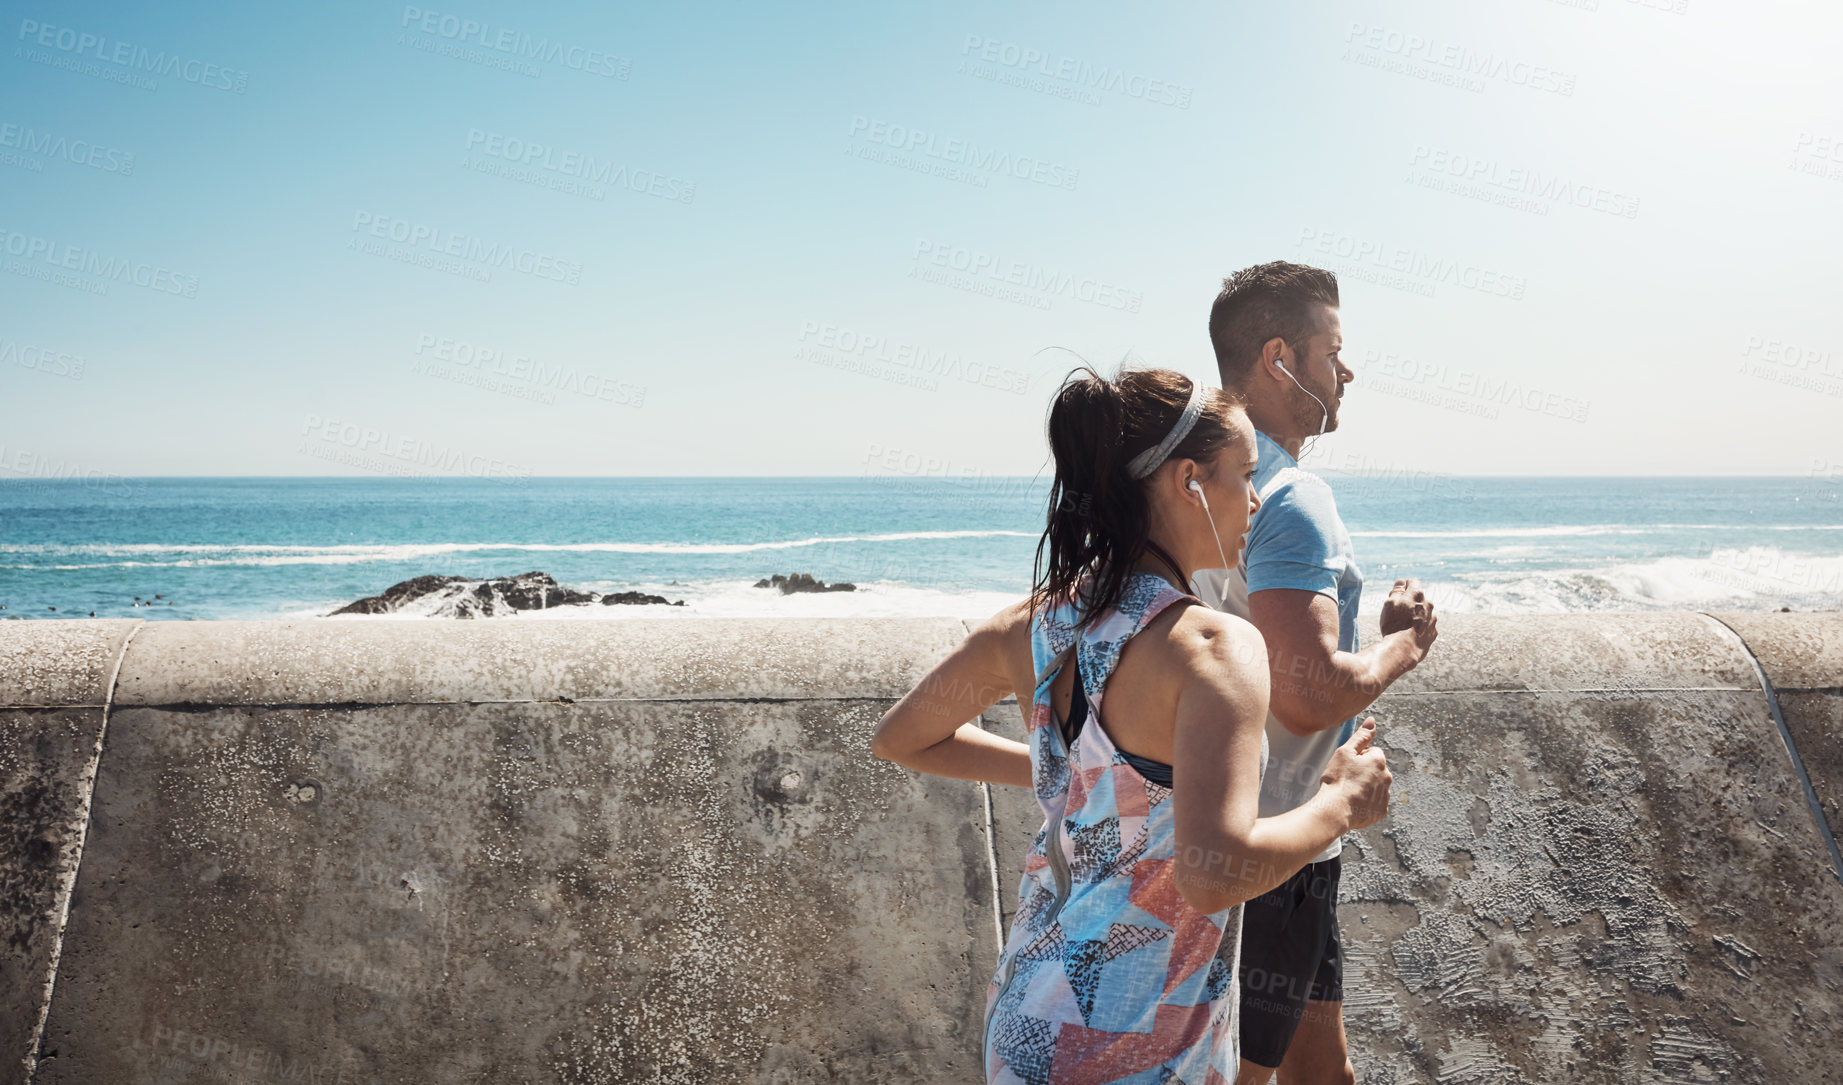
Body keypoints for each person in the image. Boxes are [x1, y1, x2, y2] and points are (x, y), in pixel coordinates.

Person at [871, 367, 1393, 1085]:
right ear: (1187, 482)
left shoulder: (1033, 621)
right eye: (1242, 475)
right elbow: (1214, 874)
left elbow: (902, 737)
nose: (1251, 501)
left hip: (1026, 1020)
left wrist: (1084, 774)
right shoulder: (1213, 647)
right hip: (1136, 1044)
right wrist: (1341, 801)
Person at [1200, 263, 1440, 1085]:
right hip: (1268, 849)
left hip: (1249, 838)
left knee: (1322, 1070)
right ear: (1278, 358)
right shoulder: (1292, 494)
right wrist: (1402, 645)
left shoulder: (1191, 480)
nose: (1346, 371)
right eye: (1331, 351)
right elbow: (1303, 693)